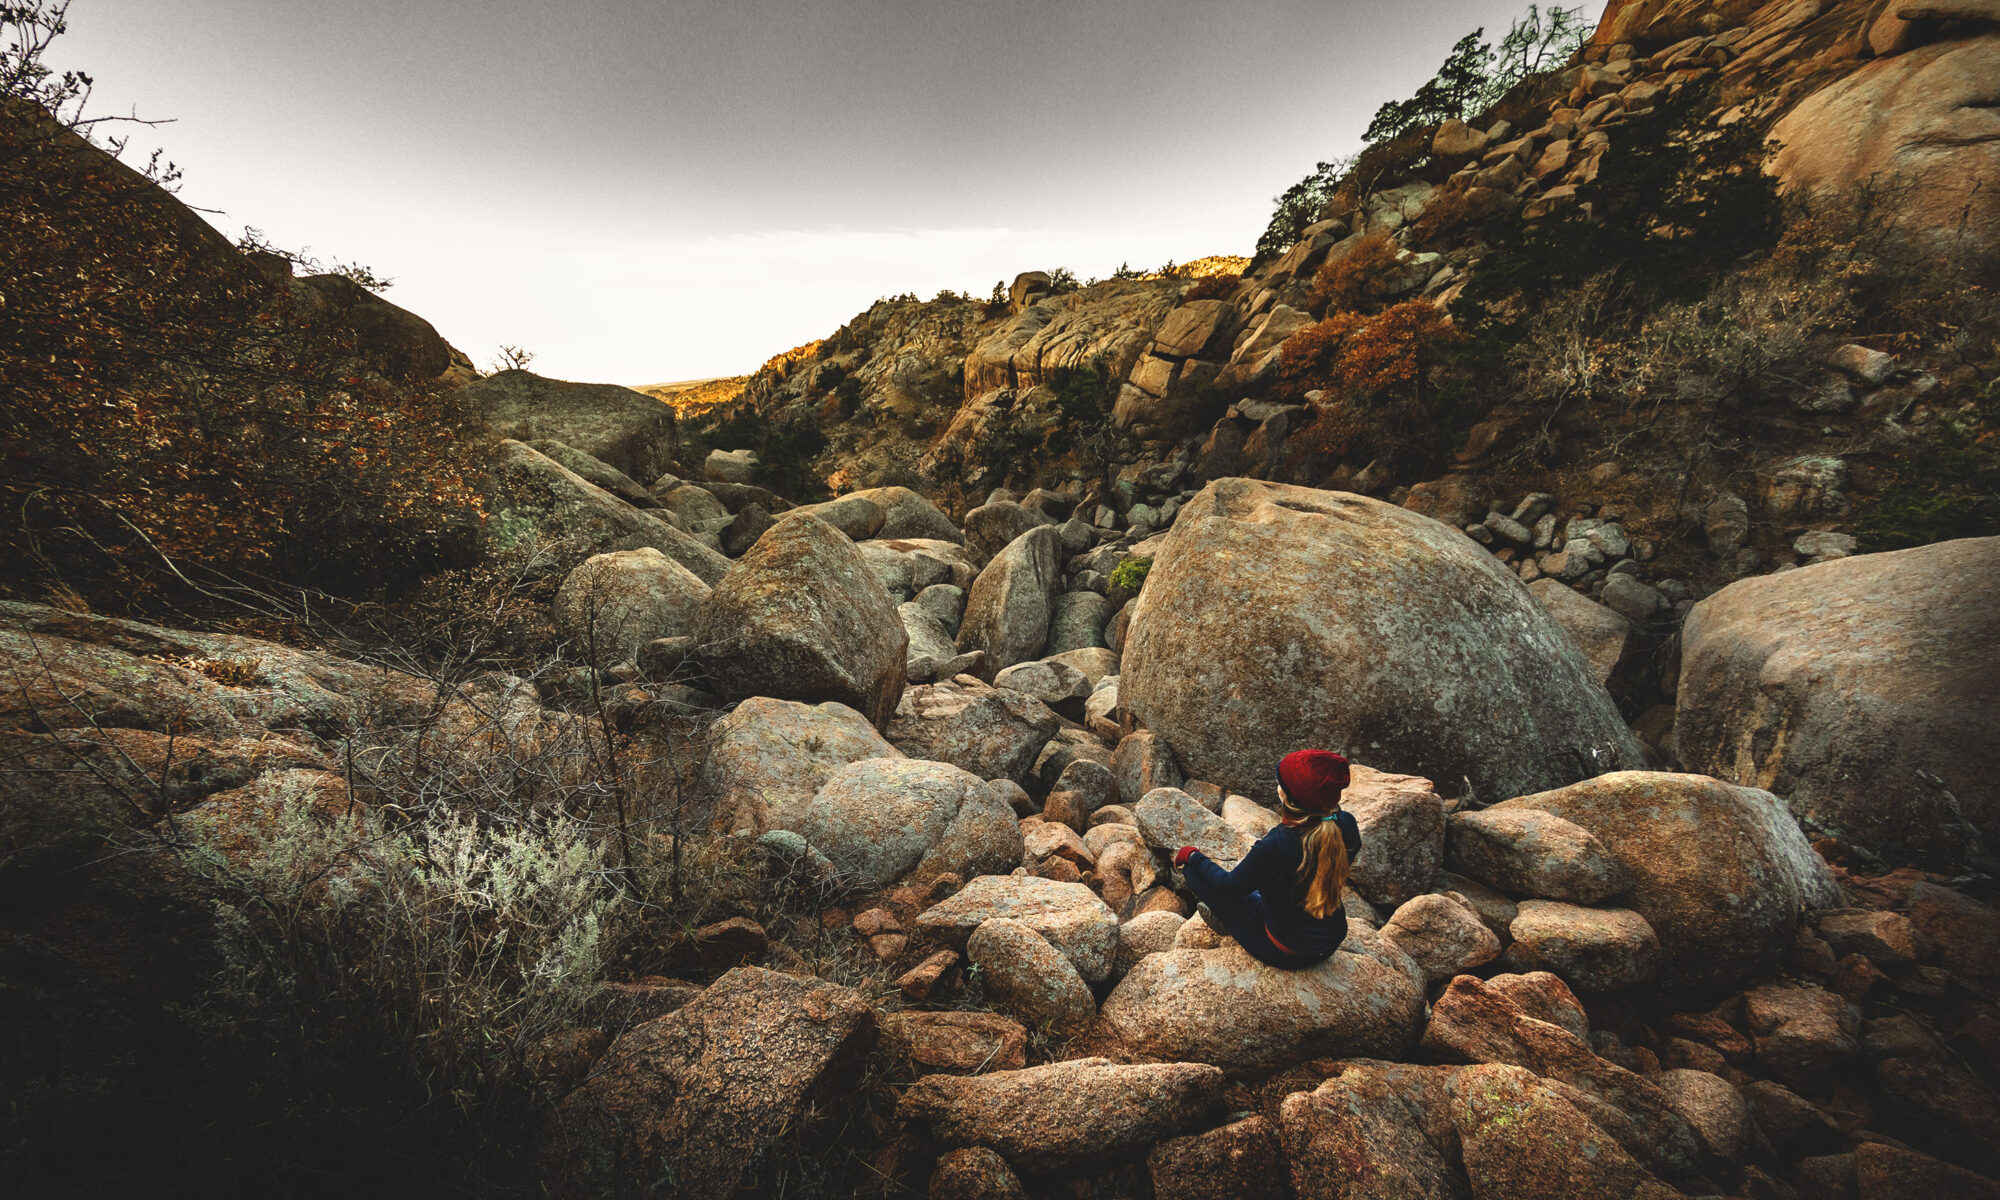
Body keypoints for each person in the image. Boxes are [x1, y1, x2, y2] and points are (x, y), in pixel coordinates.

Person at [1173, 748, 1361, 970]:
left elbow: (1230, 886)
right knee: (1268, 886)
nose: (1278, 784)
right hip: (1331, 940)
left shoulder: (1276, 845)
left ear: (1288, 795)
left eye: (1281, 781)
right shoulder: (1346, 824)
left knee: (1195, 872)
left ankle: (1226, 916)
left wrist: (1193, 856)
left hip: (1288, 951)